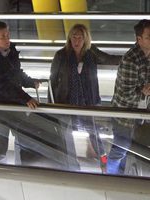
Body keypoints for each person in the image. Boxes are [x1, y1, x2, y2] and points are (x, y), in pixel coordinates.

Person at [49, 24, 120, 170]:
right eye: (73, 37)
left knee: (94, 133)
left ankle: (104, 162)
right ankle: (72, 166)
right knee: (67, 135)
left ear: (85, 38)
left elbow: (109, 59)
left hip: (89, 101)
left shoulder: (91, 53)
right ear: (69, 38)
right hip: (66, 102)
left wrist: (129, 58)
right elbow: (53, 80)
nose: (76, 40)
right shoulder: (61, 55)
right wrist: (52, 106)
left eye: (80, 37)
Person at [0, 20, 40, 164]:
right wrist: (25, 98)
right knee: (1, 138)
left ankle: (24, 165)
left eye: (8, 35)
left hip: (14, 104)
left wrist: (30, 82)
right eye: (3, 37)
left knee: (23, 135)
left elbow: (16, 73)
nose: (7, 39)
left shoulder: (10, 50)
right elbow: (2, 86)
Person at [107, 19, 150, 175]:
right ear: (139, 40)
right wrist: (144, 92)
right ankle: (111, 178)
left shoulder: (148, 54)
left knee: (127, 148)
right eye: (149, 37)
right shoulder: (130, 60)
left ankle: (122, 174)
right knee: (120, 148)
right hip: (123, 116)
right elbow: (126, 95)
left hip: (138, 114)